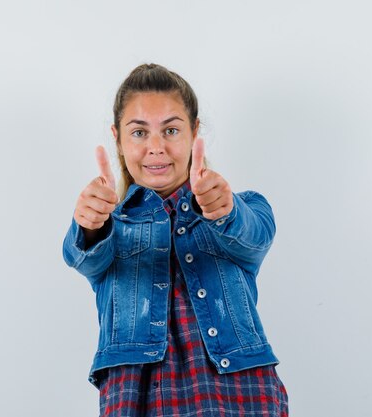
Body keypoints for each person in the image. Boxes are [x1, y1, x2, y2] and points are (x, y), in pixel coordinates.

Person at [62, 63, 288, 417]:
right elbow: (84, 255)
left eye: (170, 129)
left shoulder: (243, 209)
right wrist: (90, 224)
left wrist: (225, 210)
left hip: (240, 394)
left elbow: (254, 236)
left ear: (195, 132)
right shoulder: (109, 225)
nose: (156, 147)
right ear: (117, 139)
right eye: (138, 133)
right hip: (136, 397)